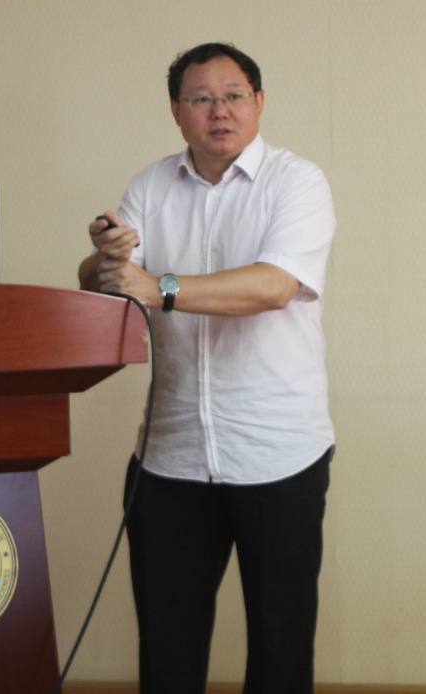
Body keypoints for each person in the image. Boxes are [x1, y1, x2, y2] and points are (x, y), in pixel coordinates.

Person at [78, 42, 336, 693]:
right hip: (171, 457)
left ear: (259, 102)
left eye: (233, 95)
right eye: (200, 98)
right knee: (168, 649)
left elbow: (274, 286)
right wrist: (107, 256)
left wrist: (158, 285)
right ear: (177, 111)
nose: (219, 111)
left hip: (277, 454)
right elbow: (107, 281)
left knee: (280, 648)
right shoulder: (150, 185)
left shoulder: (297, 182)